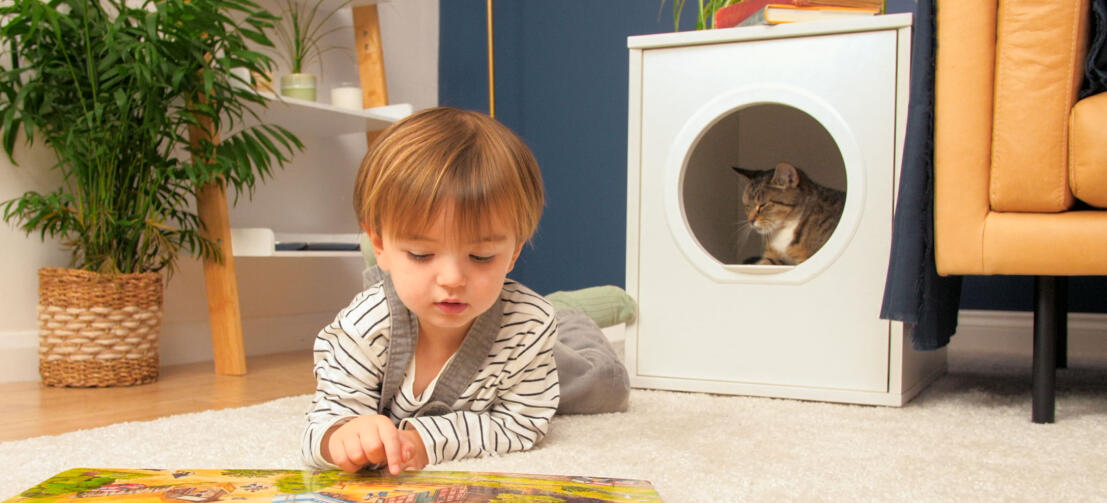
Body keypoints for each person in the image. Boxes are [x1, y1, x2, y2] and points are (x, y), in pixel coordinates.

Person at [301, 107, 630, 475]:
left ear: (514, 251)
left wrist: (428, 440)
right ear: (378, 244)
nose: (453, 279)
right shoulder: (364, 326)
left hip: (526, 338)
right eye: (422, 254)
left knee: (604, 387)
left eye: (481, 256)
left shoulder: (527, 328)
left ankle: (571, 315)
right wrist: (343, 435)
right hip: (408, 304)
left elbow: (522, 422)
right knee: (388, 296)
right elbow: (322, 423)